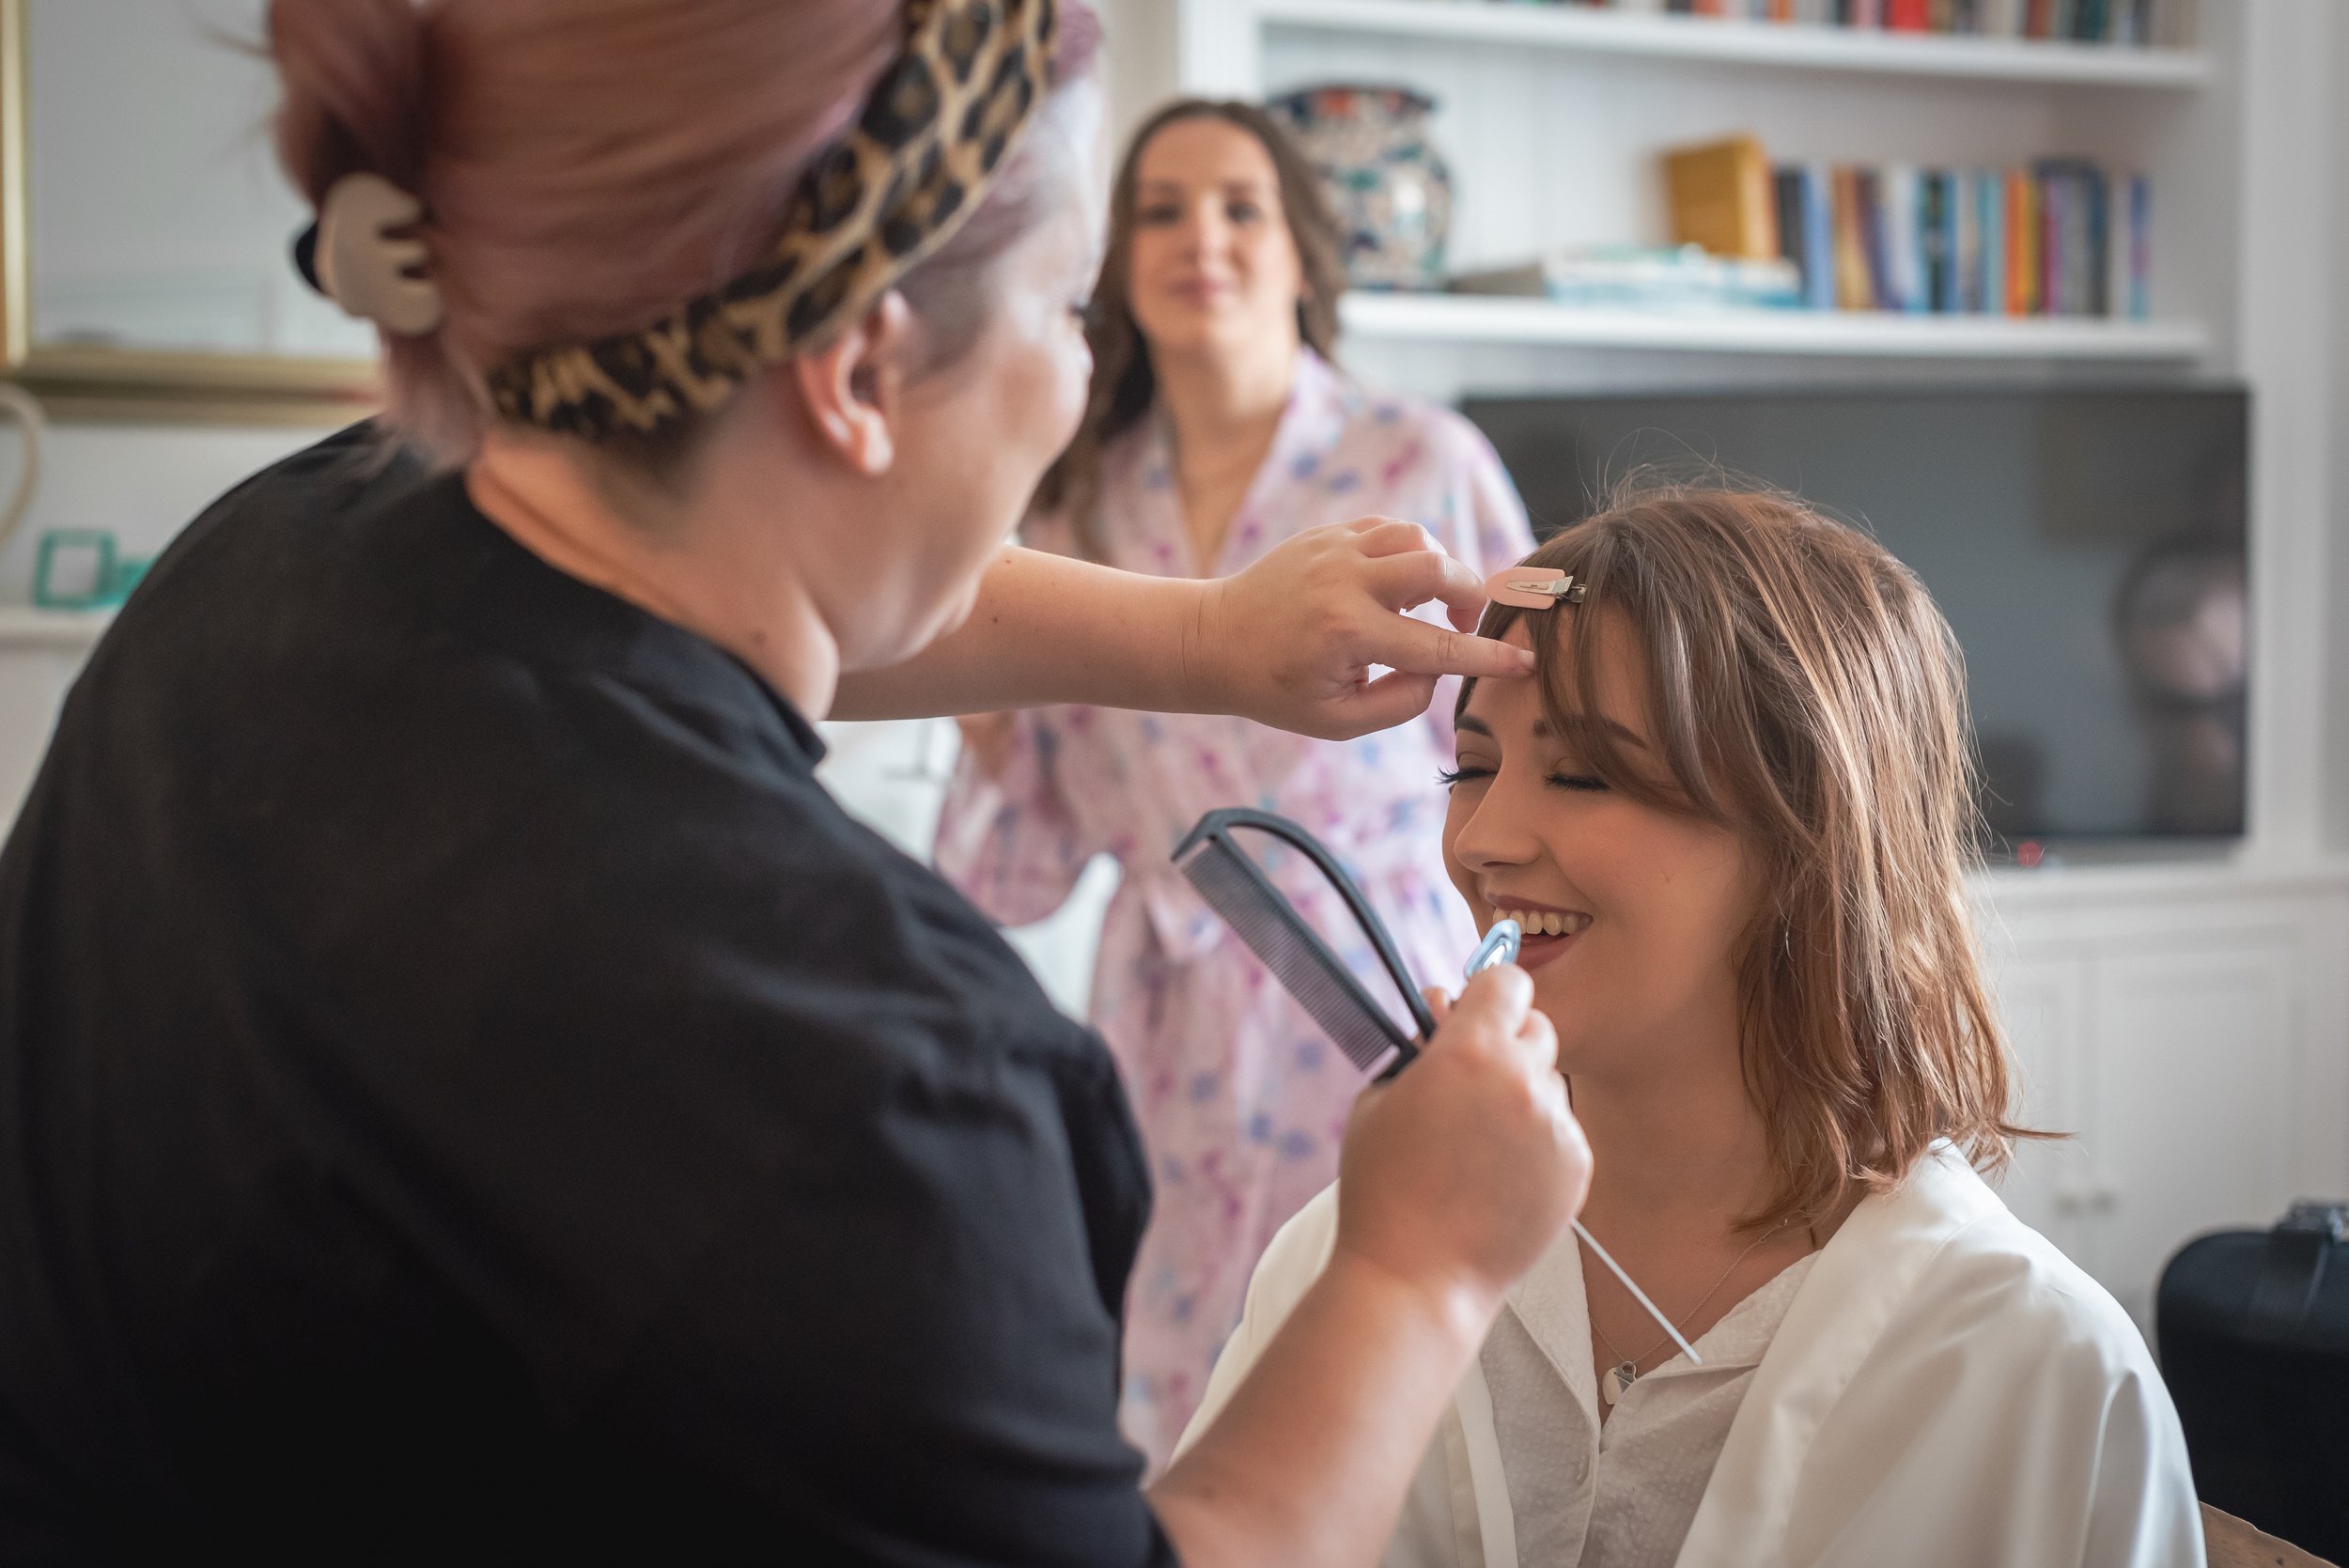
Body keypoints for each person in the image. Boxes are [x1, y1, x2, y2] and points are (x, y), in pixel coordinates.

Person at [0, 2, 1595, 1561]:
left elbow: (758, 566)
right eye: (1068, 310)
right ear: (854, 371)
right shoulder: (867, 1077)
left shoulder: (275, 549)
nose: (1074, 375)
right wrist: (1415, 1268)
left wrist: (1204, 639)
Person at [1182, 488, 2204, 1566]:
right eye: (1470, 767)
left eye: (1585, 772)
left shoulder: (2036, 1370)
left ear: (1807, 836)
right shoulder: (1349, 1261)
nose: (1483, 839)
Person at [936, 97, 1533, 1467]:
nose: (1198, 236)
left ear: (1302, 252)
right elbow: (1025, 850)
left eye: (1239, 206)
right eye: (1159, 208)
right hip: (1166, 1022)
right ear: (1115, 260)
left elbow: (1522, 738)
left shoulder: (1418, 460)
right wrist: (960, 663)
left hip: (1385, 976)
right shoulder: (1070, 507)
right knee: (1180, 1387)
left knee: (1407, 1374)